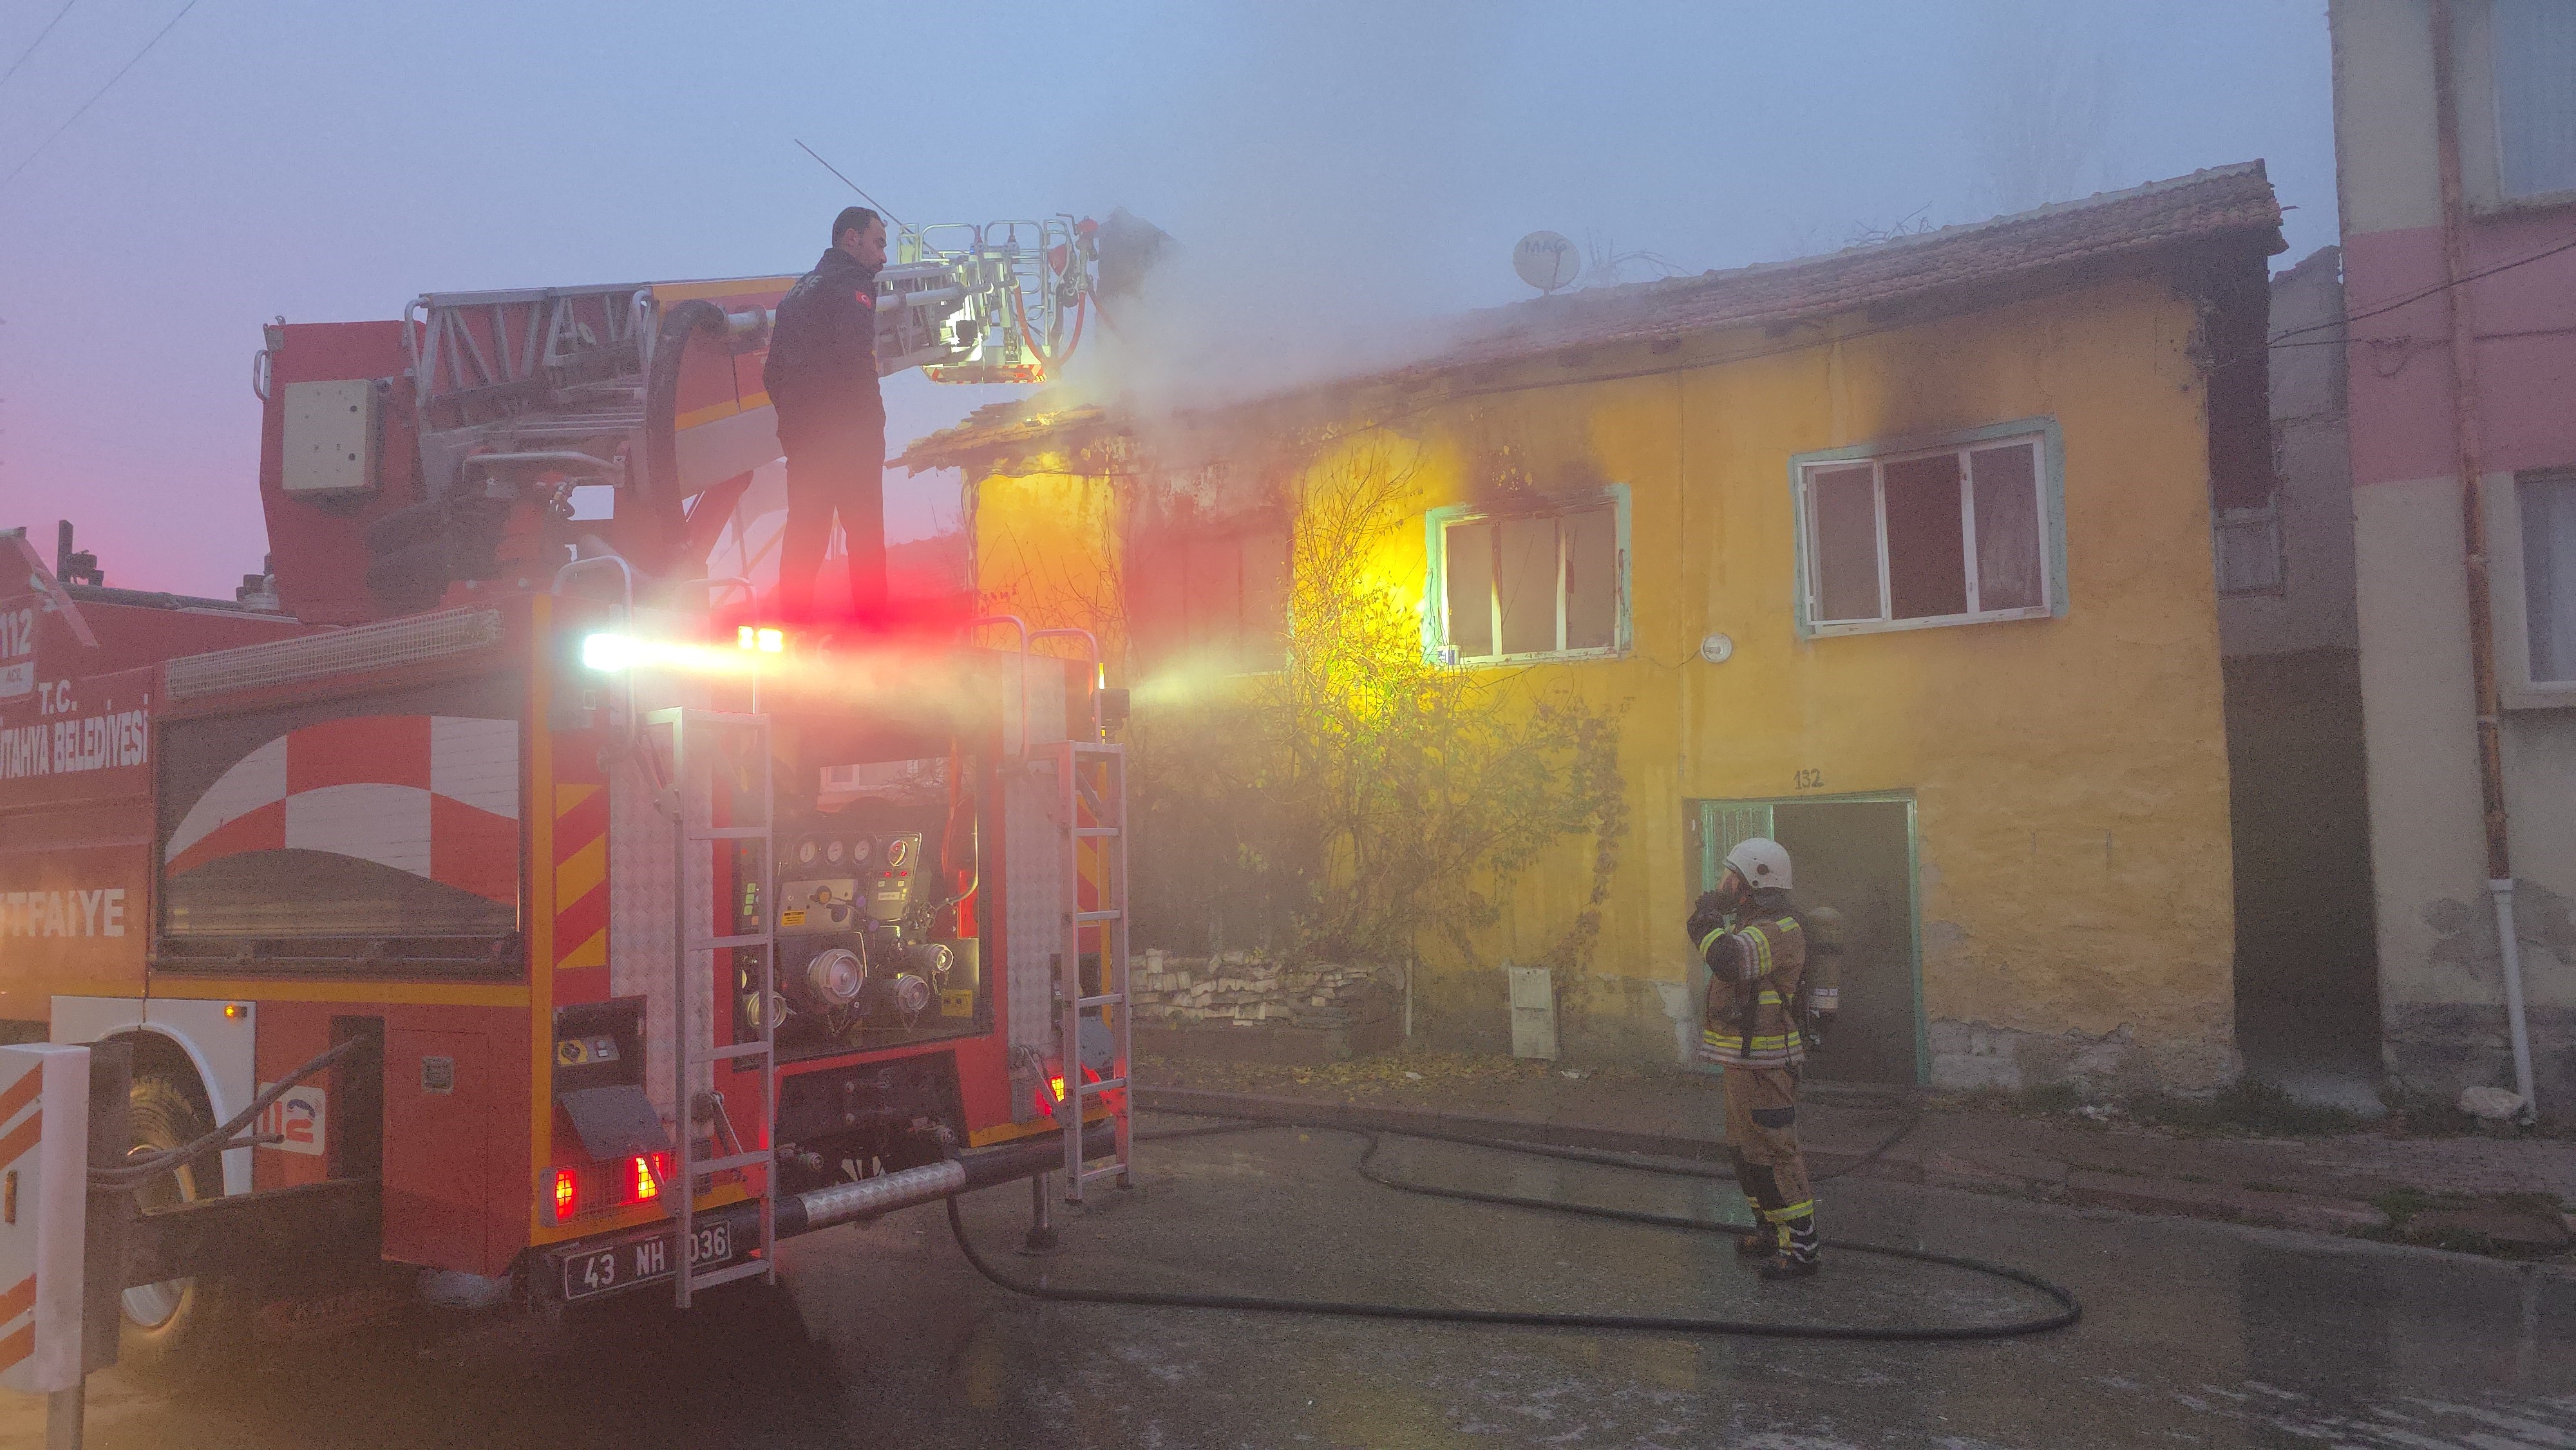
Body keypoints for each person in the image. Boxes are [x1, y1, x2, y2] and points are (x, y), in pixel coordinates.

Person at [1687, 836, 1838, 1281]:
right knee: (1744, 1149)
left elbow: (1731, 962)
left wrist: (1705, 920)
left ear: (1750, 881)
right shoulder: (1754, 922)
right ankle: (1771, 1230)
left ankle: (1803, 1248)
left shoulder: (1781, 929)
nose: (1722, 883)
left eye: (1728, 876)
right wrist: (1713, 917)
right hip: (1741, 1061)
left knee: (1776, 1151)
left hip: (1769, 1065)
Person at [763, 205, 890, 617]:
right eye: (879, 243)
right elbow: (856, 362)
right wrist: (872, 427)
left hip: (805, 447)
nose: (884, 257)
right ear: (850, 239)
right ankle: (875, 635)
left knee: (804, 535)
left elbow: (773, 374)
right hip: (849, 442)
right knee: (866, 538)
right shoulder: (852, 286)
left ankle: (793, 627)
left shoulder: (798, 292)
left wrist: (796, 434)